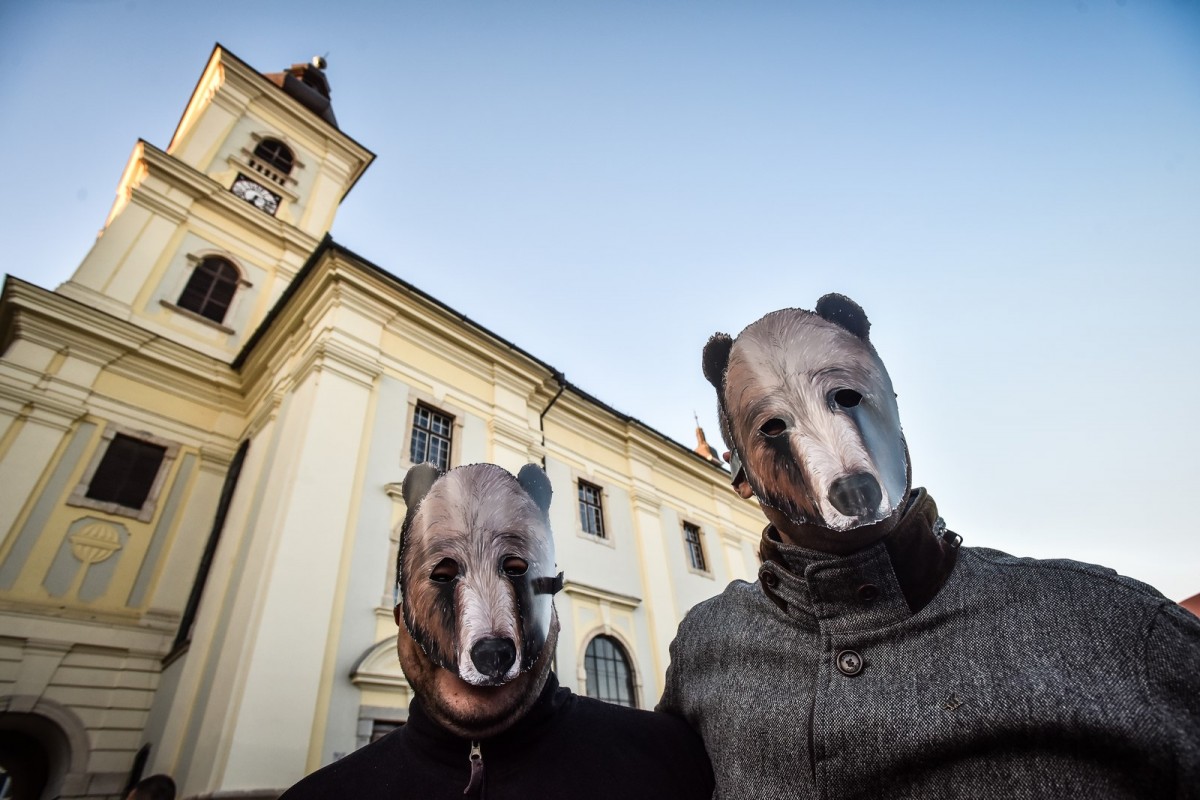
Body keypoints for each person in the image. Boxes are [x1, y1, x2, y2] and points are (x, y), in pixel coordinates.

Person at [658, 295, 1200, 798]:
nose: (838, 456)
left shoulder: (1111, 626)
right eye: (773, 426)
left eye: (847, 398)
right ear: (742, 475)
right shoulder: (704, 649)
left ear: (895, 412)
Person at [281, 462, 713, 800]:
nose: (486, 631)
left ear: (554, 615)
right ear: (401, 619)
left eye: (517, 571)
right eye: (443, 573)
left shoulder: (671, 764)